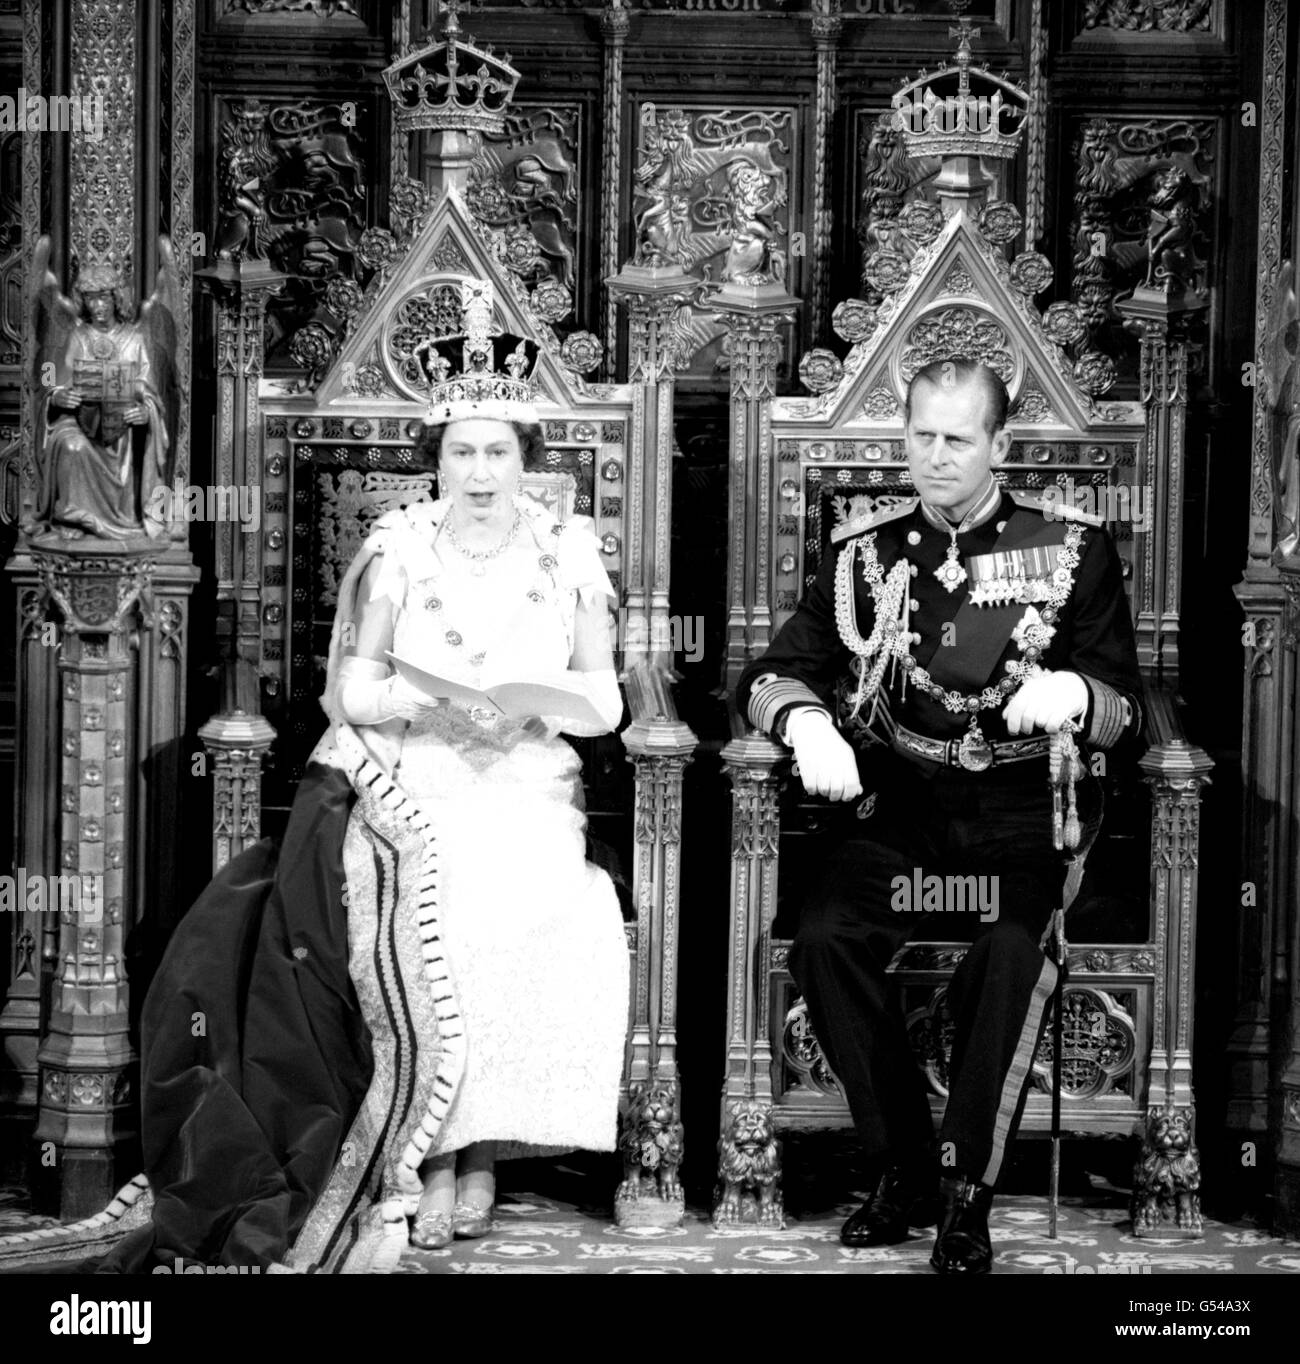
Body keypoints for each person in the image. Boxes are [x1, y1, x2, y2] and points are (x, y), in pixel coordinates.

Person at [81, 286, 630, 1274]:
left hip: (527, 781)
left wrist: (521, 707)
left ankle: (478, 1152)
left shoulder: (570, 553)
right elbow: (350, 687)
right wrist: (426, 705)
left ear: (526, 456)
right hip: (408, 774)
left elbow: (608, 704)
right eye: (460, 450)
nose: (478, 471)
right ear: (436, 456)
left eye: (497, 450)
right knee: (438, 908)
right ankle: (434, 1149)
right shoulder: (397, 551)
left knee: (534, 902)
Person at [737, 357, 1142, 1275]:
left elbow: (1131, 706)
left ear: (1001, 444)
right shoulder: (864, 556)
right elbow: (764, 673)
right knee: (825, 937)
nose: (936, 457)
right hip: (903, 803)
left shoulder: (1071, 547)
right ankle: (905, 1164)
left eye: (958, 439)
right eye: (921, 435)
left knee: (1008, 947)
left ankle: (966, 1189)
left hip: (1020, 809)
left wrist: (1078, 691)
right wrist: (806, 723)